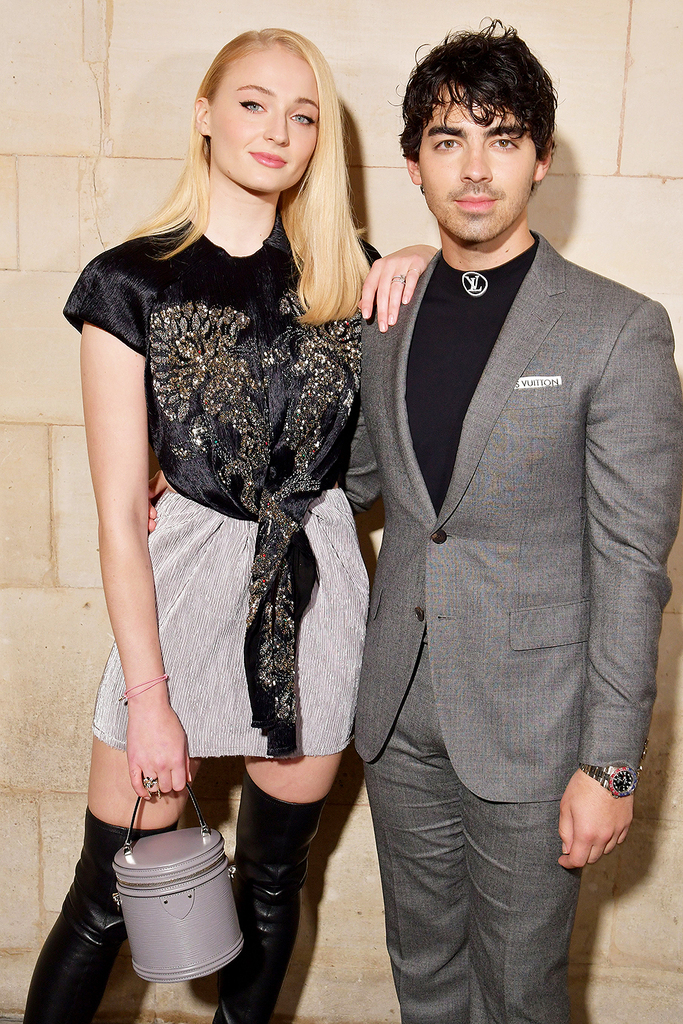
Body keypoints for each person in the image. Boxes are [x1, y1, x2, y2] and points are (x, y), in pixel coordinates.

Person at [23, 28, 430, 1024]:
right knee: (109, 895)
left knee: (273, 883)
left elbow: (492, 310)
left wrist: (429, 258)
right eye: (252, 103)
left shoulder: (355, 274)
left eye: (301, 116)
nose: (277, 131)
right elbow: (123, 514)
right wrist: (151, 699)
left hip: (319, 581)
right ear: (203, 113)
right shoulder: (131, 282)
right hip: (179, 589)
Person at [346, 20, 683, 1024]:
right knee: (427, 979)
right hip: (399, 716)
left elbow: (633, 565)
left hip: (536, 735)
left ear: (539, 155)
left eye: (501, 137)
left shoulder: (618, 329)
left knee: (520, 993)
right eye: (448, 139)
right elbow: (358, 479)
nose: (475, 167)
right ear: (413, 165)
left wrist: (608, 763)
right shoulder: (385, 314)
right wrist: (178, 478)